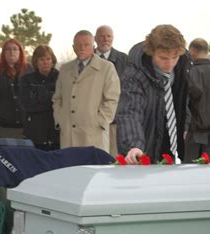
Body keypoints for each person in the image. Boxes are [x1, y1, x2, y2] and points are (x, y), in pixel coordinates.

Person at [115, 24, 191, 164]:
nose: (170, 64)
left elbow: (185, 101)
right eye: (163, 58)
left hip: (173, 147)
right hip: (144, 146)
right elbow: (130, 111)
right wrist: (134, 145)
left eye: (174, 57)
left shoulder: (183, 67)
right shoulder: (134, 75)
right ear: (151, 52)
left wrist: (186, 124)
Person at [52, 30, 120, 153]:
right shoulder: (65, 69)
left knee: (95, 170)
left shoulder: (107, 67)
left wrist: (101, 121)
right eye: (78, 45)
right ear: (73, 47)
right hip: (68, 134)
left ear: (93, 47)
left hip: (94, 133)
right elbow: (57, 98)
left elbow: (112, 98)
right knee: (70, 170)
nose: (82, 48)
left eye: (86, 44)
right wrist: (60, 119)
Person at [0, 39, 29, 139]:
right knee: (4, 153)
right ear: (3, 53)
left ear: (20, 52)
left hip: (27, 126)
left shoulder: (30, 70)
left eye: (15, 49)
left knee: (25, 154)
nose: (12, 52)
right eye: (8, 49)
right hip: (2, 126)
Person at [95, 25, 128, 156]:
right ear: (95, 38)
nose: (105, 39)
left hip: (115, 121)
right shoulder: (87, 58)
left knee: (115, 159)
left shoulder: (124, 59)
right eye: (102, 36)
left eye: (109, 36)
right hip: (92, 122)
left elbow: (127, 89)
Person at [184, 38, 210, 162]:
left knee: (191, 173)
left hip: (195, 133)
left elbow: (186, 103)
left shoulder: (190, 73)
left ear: (192, 51)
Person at [20, 45, 59, 151]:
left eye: (48, 59)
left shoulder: (61, 77)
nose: (45, 62)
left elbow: (63, 103)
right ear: (36, 62)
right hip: (35, 134)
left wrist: (39, 95)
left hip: (57, 134)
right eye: (42, 59)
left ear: (53, 60)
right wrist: (52, 99)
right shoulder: (26, 80)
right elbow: (27, 105)